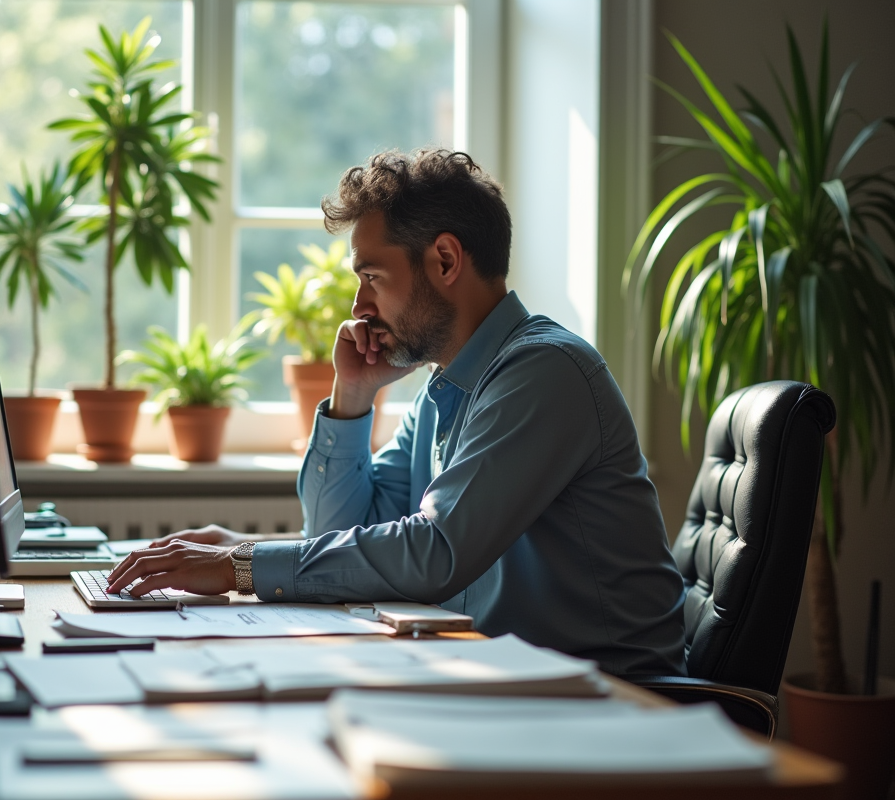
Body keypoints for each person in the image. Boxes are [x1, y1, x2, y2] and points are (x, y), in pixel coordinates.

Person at [108, 149, 687, 676]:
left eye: (371, 277)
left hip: (613, 701)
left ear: (444, 259)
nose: (358, 306)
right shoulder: (446, 389)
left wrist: (242, 563)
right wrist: (353, 395)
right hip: (504, 679)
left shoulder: (544, 373)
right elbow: (341, 535)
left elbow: (435, 552)